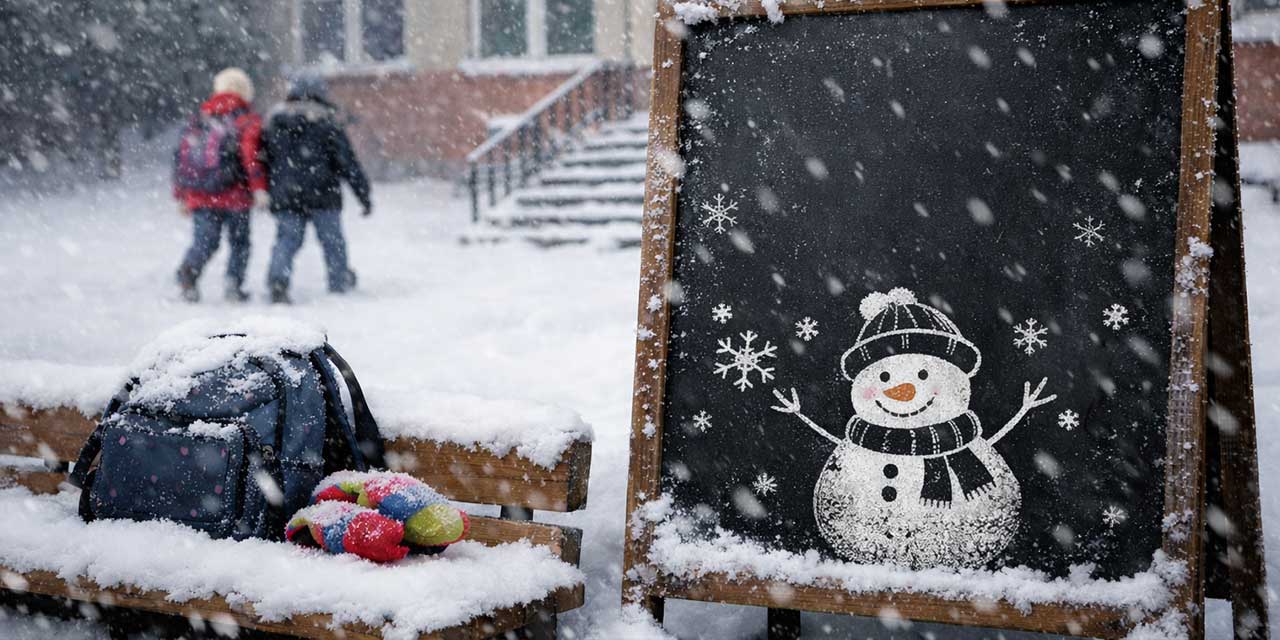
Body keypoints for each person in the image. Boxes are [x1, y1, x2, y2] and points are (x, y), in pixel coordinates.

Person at [262, 75, 371, 305]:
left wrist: (264, 189)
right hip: (324, 193)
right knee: (332, 241)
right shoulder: (328, 123)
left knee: (287, 240)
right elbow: (347, 163)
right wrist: (363, 195)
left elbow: (262, 160)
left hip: (286, 193)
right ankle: (338, 280)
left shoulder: (276, 123)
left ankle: (278, 280)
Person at [172, 67, 268, 303]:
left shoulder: (199, 118)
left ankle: (189, 274)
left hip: (200, 193)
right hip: (236, 195)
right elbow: (250, 156)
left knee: (205, 241)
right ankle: (233, 284)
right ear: (245, 91)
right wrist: (258, 188)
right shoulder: (247, 120)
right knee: (239, 243)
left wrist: (181, 195)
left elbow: (181, 156)